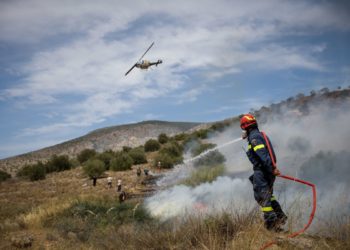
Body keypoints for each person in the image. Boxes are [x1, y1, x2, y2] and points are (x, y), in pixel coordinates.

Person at [240, 113, 287, 231]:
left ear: (245, 127)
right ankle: (280, 217)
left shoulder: (254, 138)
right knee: (268, 196)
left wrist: (271, 168)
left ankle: (272, 226)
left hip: (263, 171)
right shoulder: (257, 135)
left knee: (262, 197)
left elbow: (262, 154)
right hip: (266, 171)